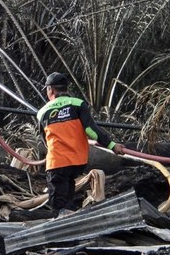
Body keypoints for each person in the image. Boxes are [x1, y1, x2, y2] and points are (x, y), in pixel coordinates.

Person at [36, 72, 124, 218]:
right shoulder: (78, 104)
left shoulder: (43, 112)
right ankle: (73, 227)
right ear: (65, 88)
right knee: (69, 194)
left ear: (50, 90)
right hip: (77, 162)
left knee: (58, 206)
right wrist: (112, 145)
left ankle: (62, 234)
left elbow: (45, 140)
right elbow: (91, 130)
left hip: (57, 163)